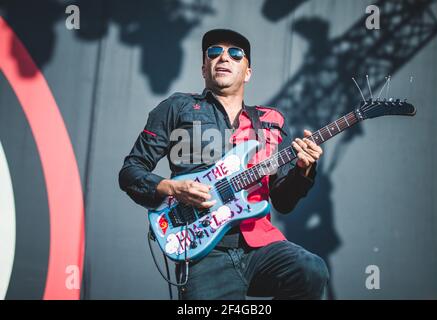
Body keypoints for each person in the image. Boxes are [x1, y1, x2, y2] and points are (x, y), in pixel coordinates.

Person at [119, 29, 329, 300]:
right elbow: (130, 171)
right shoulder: (177, 107)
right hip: (203, 251)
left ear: (248, 72)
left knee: (310, 270)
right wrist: (172, 188)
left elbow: (283, 201)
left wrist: (304, 170)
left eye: (235, 53)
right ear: (204, 69)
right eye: (214, 52)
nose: (224, 57)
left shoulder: (270, 121)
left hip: (260, 245)